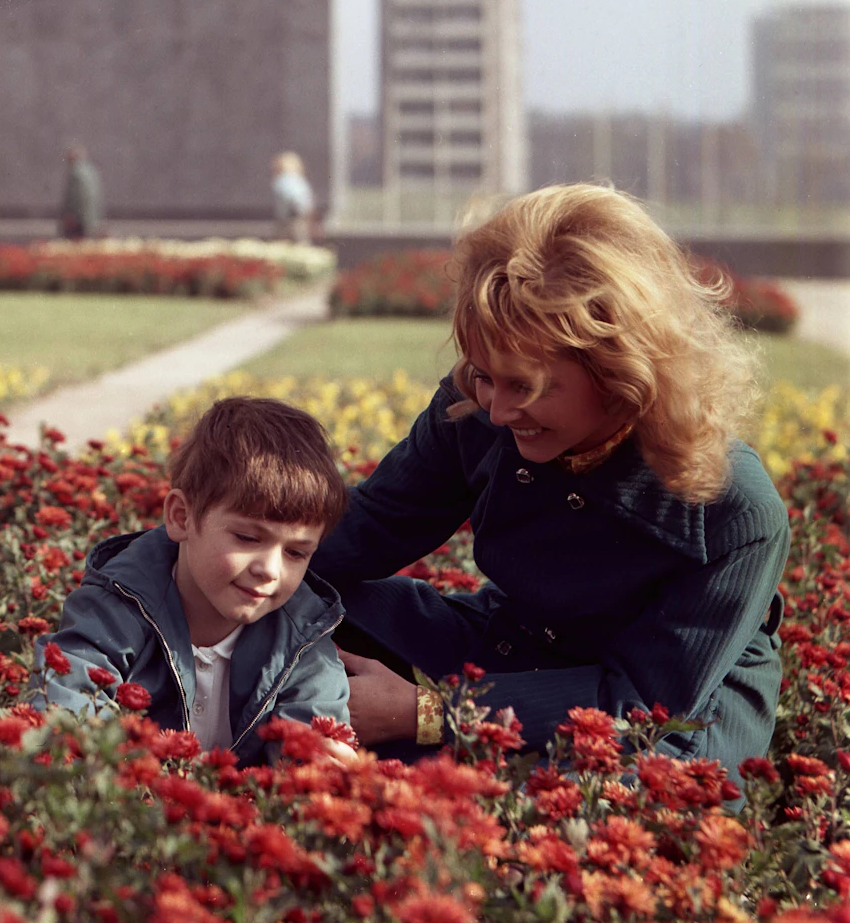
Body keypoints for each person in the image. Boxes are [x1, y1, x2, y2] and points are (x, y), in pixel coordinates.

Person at [312, 184, 787, 778]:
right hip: (517, 649)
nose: (500, 411)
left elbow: (644, 706)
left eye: (526, 387)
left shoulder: (732, 506)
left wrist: (427, 712)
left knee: (619, 801)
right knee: (296, 594)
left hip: (668, 720)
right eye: (484, 375)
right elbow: (368, 528)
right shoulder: (477, 405)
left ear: (621, 369)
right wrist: (200, 556)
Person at [31, 397, 351, 764]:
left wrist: (317, 766)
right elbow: (63, 718)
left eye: (296, 553)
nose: (270, 569)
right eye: (248, 538)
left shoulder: (303, 639)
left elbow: (308, 757)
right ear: (181, 517)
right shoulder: (114, 609)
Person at [59, 143, 103, 240]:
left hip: (79, 216)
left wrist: (70, 213)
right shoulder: (91, 170)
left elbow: (74, 196)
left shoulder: (75, 172)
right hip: (92, 214)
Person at [270, 151, 316, 243]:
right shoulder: (300, 180)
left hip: (289, 218)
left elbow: (292, 198)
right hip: (301, 217)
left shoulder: (282, 180)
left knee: (284, 245)